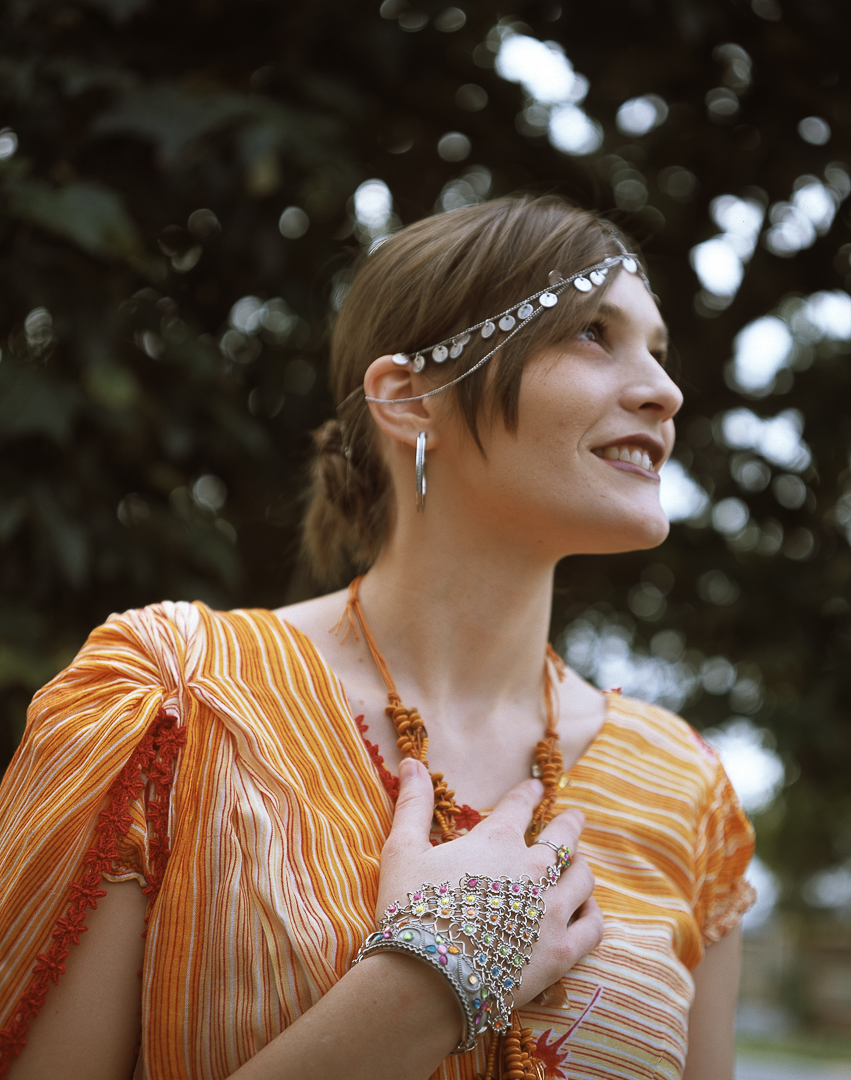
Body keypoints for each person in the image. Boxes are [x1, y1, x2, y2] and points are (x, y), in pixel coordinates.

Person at [0, 195, 755, 1080]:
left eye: (659, 352)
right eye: (592, 332)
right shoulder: (177, 698)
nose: (664, 391)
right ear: (409, 398)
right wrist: (432, 981)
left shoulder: (684, 788)